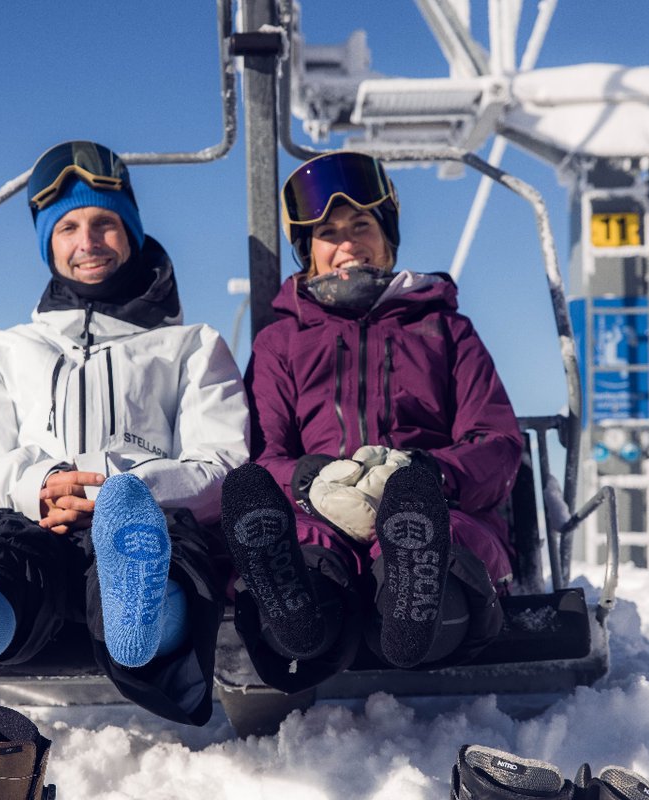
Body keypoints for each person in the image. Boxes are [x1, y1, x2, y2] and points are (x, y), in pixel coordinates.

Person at [0, 140, 249, 726]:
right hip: (33, 519)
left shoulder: (191, 347)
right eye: (67, 228)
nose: (88, 242)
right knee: (2, 549)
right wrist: (40, 484)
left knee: (173, 547)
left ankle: (141, 615)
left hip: (146, 514)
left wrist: (118, 492)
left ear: (130, 230)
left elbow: (224, 464)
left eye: (104, 222)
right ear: (47, 244)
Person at [220, 150, 522, 692]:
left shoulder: (445, 331)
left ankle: (411, 604)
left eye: (362, 225)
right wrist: (313, 480)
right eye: (329, 233)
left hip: (436, 507)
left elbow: (496, 443)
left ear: (388, 238)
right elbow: (264, 459)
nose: (349, 243)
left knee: (427, 541)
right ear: (308, 253)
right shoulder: (280, 343)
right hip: (320, 511)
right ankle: (300, 615)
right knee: (304, 549)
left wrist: (427, 475)